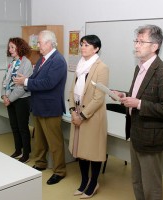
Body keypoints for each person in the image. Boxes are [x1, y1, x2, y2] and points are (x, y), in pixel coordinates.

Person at [113, 25, 163, 200]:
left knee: (151, 186)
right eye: (136, 41)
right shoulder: (139, 67)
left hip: (151, 137)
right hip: (135, 132)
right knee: (137, 181)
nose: (136, 45)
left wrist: (139, 103)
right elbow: (139, 96)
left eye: (141, 42)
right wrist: (125, 96)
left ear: (155, 46)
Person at [14, 30, 67, 185]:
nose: (37, 46)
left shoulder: (58, 61)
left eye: (40, 43)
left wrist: (25, 82)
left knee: (55, 143)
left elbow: (48, 83)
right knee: (40, 140)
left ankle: (59, 171)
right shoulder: (42, 59)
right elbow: (36, 79)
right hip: (38, 106)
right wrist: (26, 80)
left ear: (49, 43)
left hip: (50, 108)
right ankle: (40, 163)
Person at [68, 35, 109, 199]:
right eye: (82, 44)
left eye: (87, 45)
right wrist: (72, 110)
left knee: (93, 150)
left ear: (96, 48)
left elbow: (99, 98)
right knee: (81, 150)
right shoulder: (80, 66)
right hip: (77, 111)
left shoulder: (102, 67)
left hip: (91, 115)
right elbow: (72, 90)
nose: (82, 47)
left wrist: (82, 116)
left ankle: (93, 183)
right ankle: (84, 180)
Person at [1, 37, 33, 163]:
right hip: (10, 98)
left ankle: (26, 153)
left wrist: (9, 99)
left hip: (21, 99)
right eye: (9, 47)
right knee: (14, 126)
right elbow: (5, 80)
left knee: (23, 128)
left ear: (20, 48)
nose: (10, 50)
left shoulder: (26, 63)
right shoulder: (12, 62)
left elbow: (22, 86)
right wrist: (4, 95)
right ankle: (18, 150)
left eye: (12, 47)